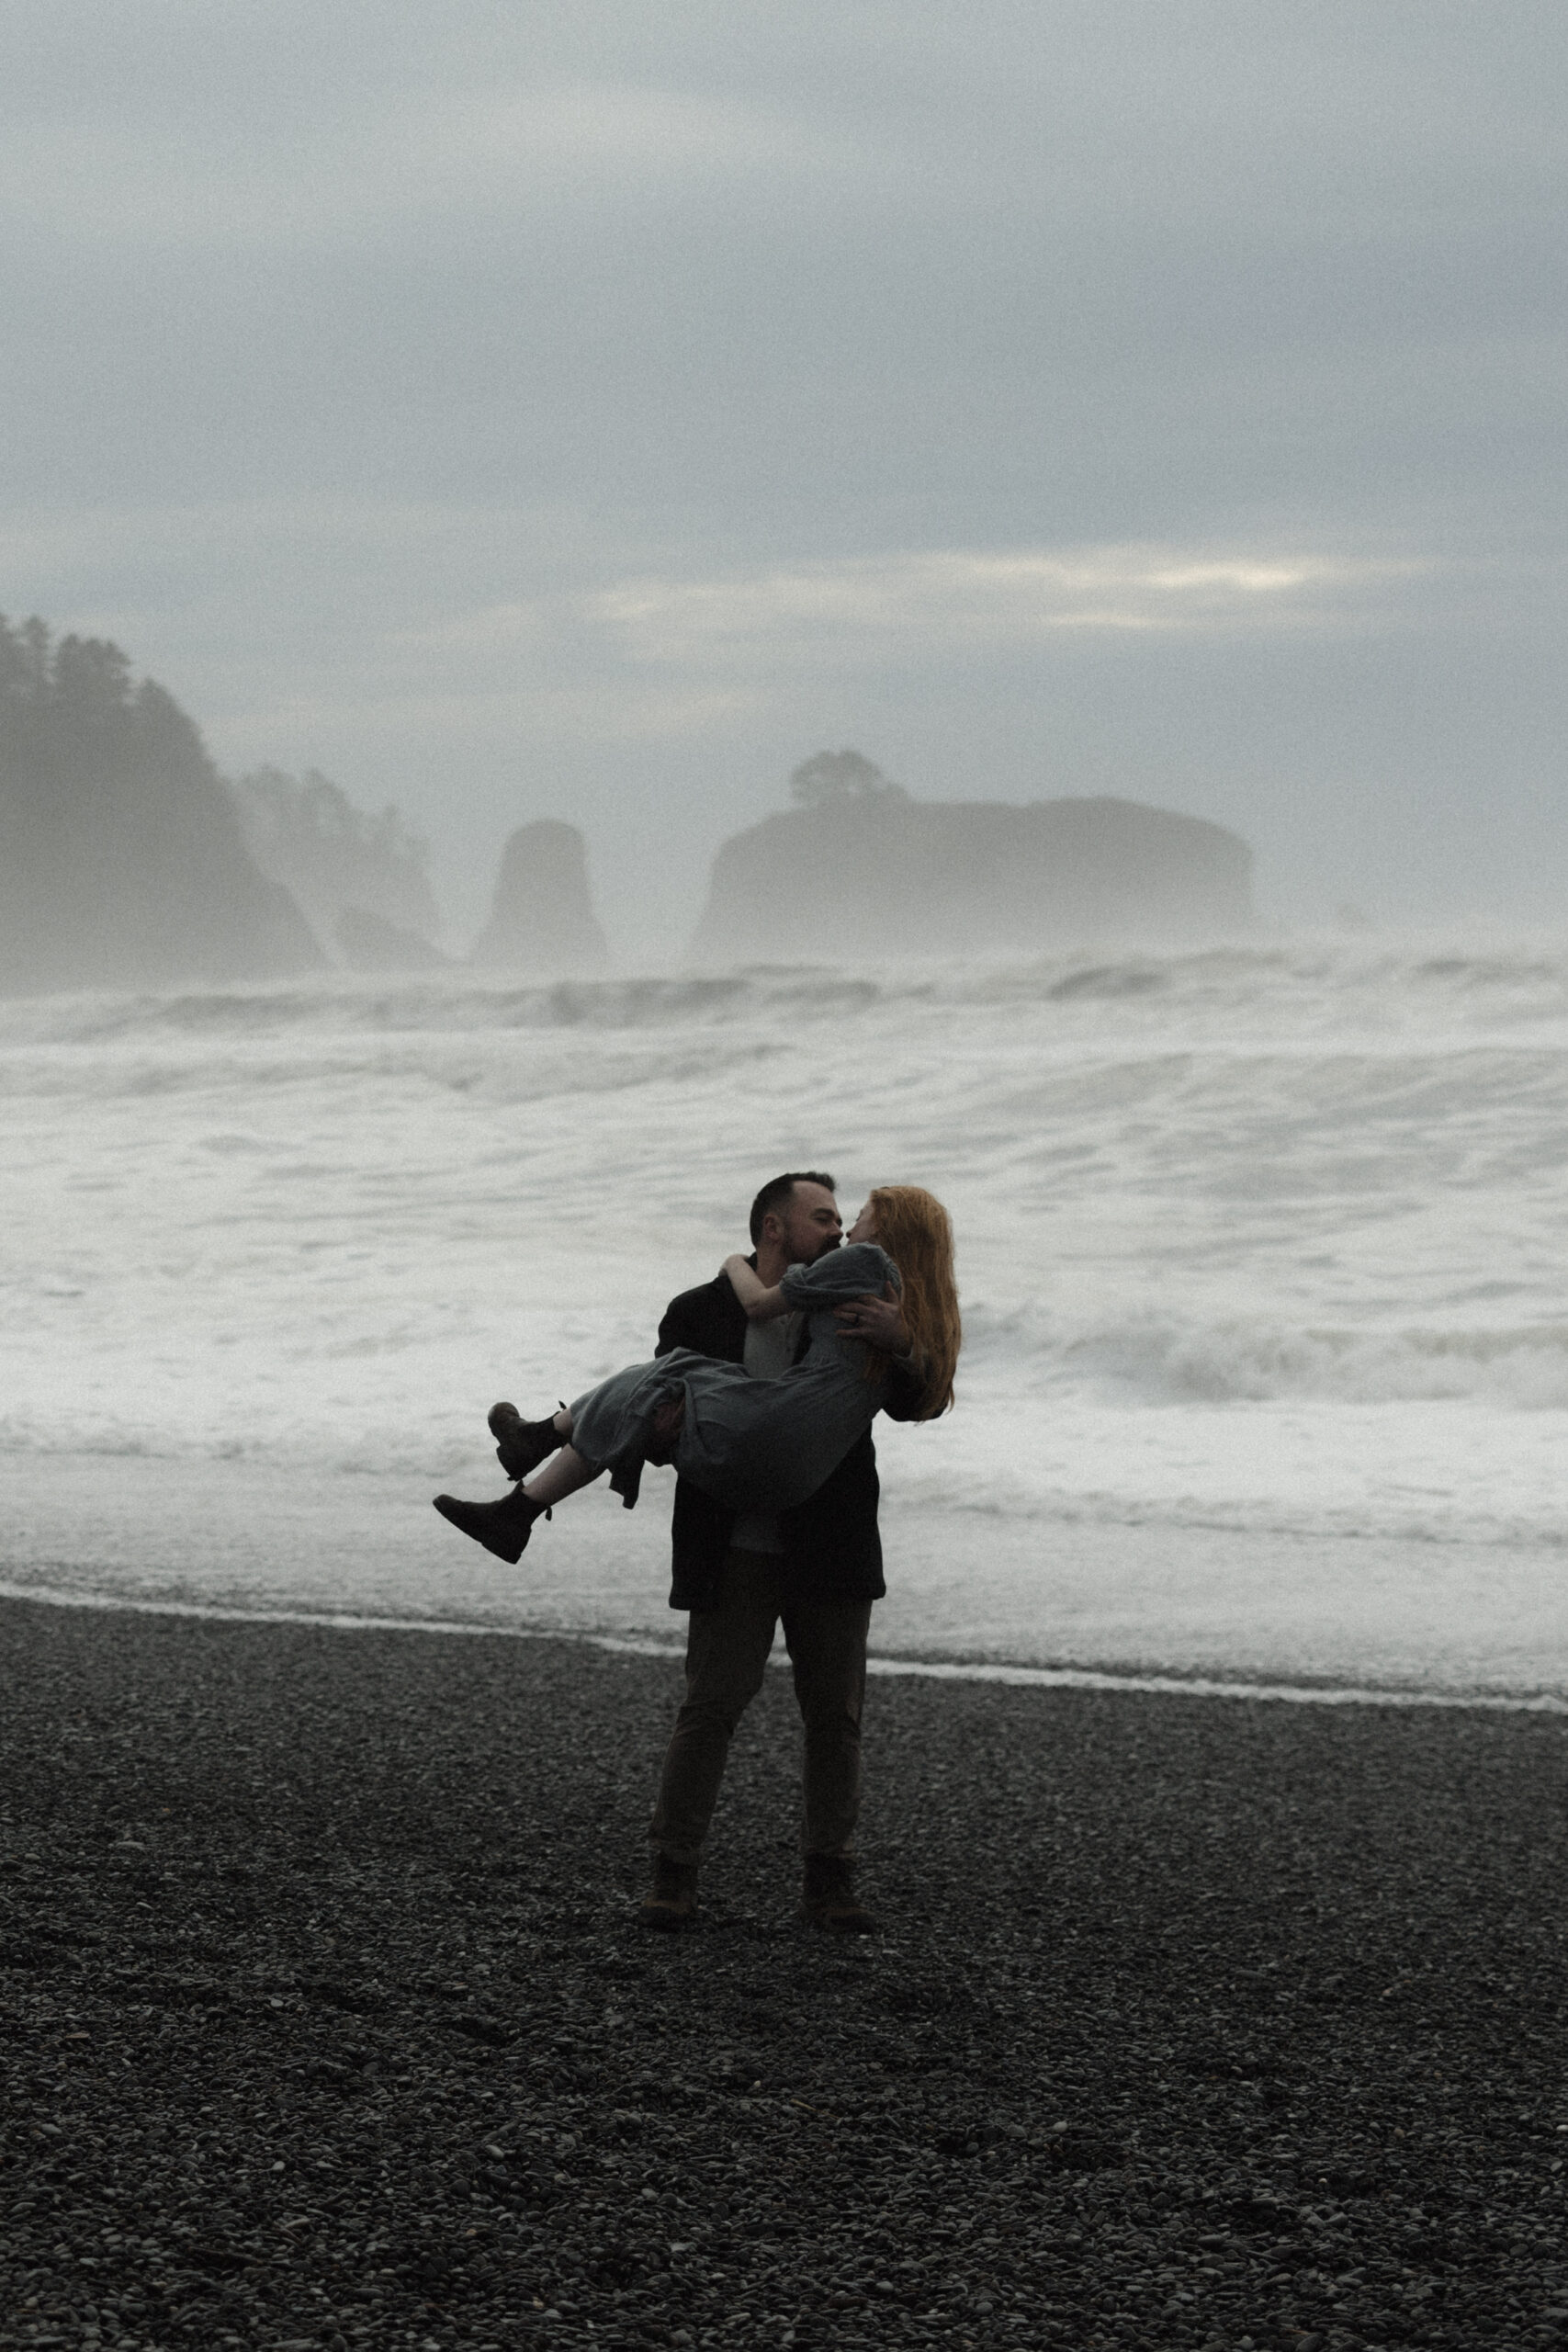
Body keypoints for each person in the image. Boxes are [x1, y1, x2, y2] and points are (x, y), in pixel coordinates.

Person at [433, 1175, 959, 1932]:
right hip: (730, 1536)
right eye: (823, 1218)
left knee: (834, 1718)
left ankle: (830, 1882)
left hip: (828, 1537)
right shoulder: (699, 1309)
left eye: (847, 1220)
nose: (840, 1231)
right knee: (709, 1707)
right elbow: (650, 1423)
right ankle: (672, 1874)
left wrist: (901, 1340)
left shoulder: (861, 1301)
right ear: (773, 1228)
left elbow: (924, 1398)